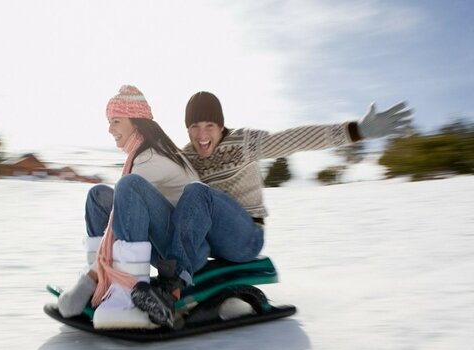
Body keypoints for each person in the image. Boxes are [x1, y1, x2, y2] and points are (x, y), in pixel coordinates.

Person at [132, 91, 412, 327]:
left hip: (244, 238)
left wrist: (357, 130)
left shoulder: (245, 142)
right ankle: (130, 280)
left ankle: (169, 291)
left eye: (209, 126)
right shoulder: (186, 156)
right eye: (194, 127)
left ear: (220, 125)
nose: (202, 135)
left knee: (198, 192)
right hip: (207, 242)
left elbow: (296, 138)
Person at [57, 85, 198, 329]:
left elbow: (121, 218)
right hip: (161, 236)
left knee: (128, 187)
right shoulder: (141, 152)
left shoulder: (150, 157)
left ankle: (126, 288)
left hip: (179, 247)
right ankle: (105, 281)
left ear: (135, 121)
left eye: (115, 121)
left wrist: (87, 281)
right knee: (98, 196)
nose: (110, 129)